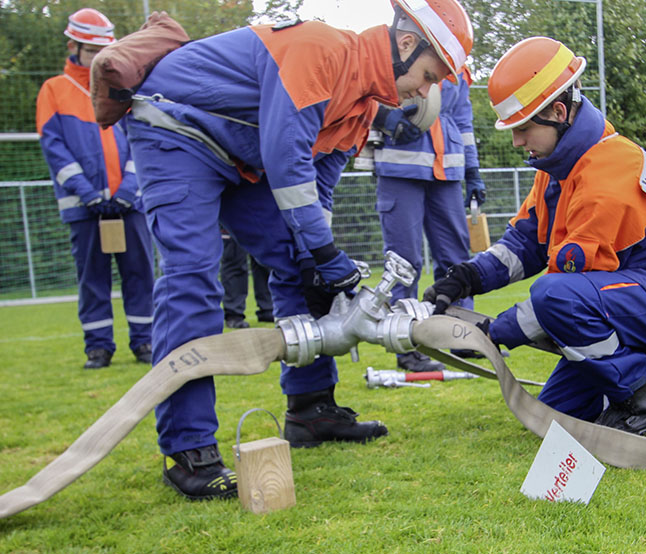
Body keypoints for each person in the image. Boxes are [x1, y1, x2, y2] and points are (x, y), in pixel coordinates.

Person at [123, 0, 474, 500]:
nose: (426, 89)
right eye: (429, 74)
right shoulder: (322, 50)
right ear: (405, 44)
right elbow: (287, 163)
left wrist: (322, 260)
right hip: (176, 131)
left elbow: (318, 191)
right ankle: (188, 451)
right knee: (194, 279)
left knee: (302, 265)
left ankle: (310, 412)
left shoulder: (364, 106)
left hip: (240, 160)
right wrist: (325, 253)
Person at [424, 37, 646, 437]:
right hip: (636, 292)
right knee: (557, 416)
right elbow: (526, 243)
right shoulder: (558, 167)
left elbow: (562, 299)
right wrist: (466, 277)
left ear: (558, 111)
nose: (517, 141)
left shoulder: (607, 172)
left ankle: (644, 406)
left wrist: (491, 335)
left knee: (554, 296)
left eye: (523, 128)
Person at [36, 8, 154, 370]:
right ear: (73, 45)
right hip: (83, 207)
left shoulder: (123, 89)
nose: (98, 58)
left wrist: (128, 189)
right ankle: (98, 348)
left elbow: (140, 141)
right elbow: (54, 148)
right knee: (92, 280)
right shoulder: (54, 90)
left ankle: (145, 342)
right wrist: (87, 193)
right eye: (91, 51)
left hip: (129, 204)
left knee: (141, 274)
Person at [372, 62, 486, 372]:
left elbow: (463, 120)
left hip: (447, 171)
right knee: (403, 262)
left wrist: (472, 170)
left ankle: (461, 338)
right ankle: (406, 344)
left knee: (455, 259)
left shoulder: (459, 70)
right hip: (400, 168)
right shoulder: (396, 59)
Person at [220, 227, 274, 329]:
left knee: (264, 260)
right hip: (231, 216)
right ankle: (233, 315)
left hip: (257, 215)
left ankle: (268, 309)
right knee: (234, 261)